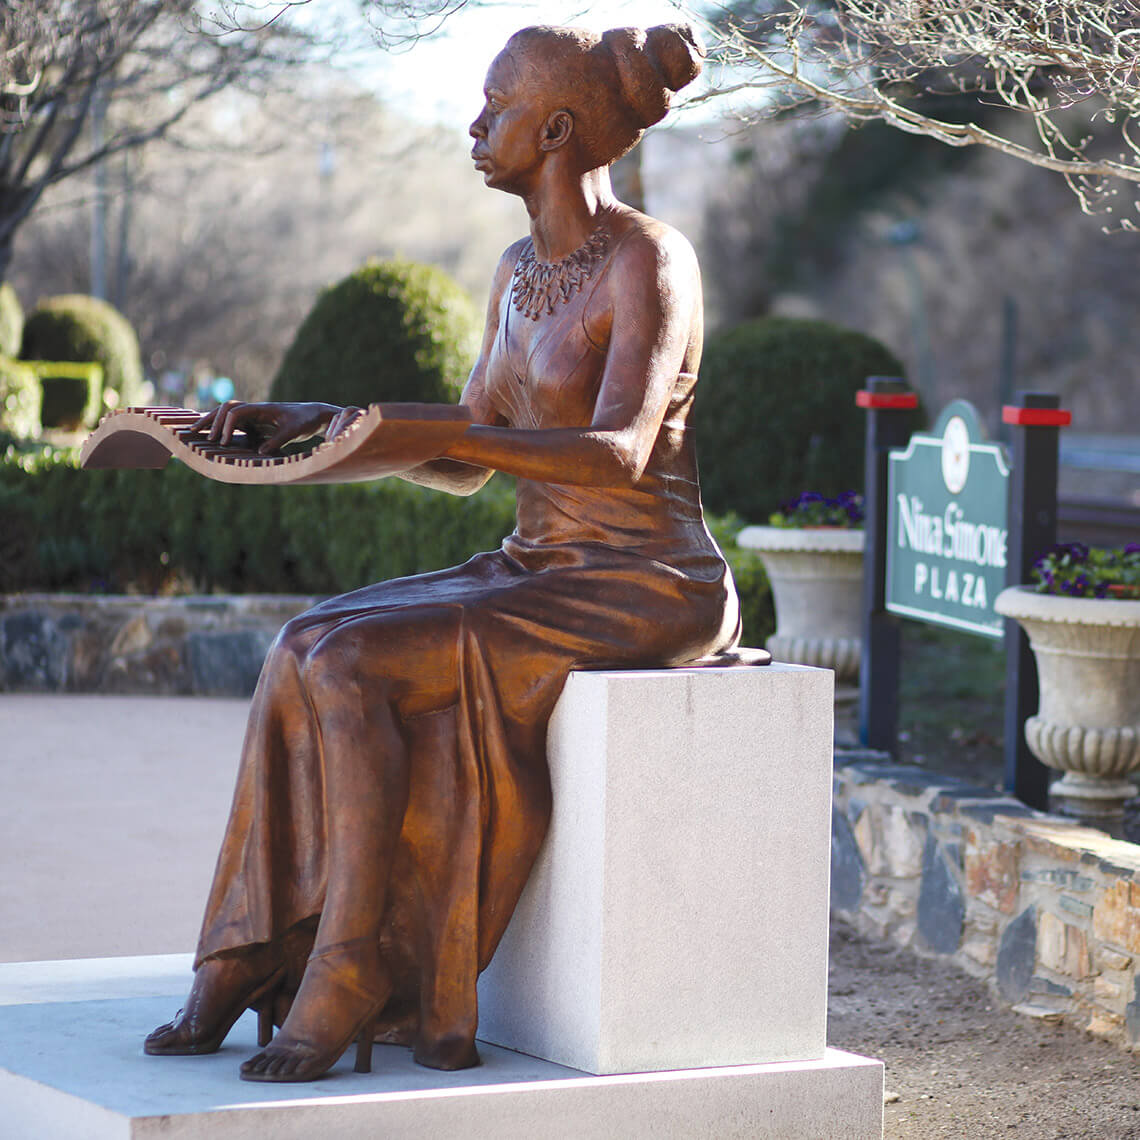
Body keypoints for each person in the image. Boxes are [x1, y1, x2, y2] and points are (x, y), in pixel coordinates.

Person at [144, 22, 739, 1084]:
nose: (474, 124)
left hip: (643, 581)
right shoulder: (517, 272)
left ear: (555, 129)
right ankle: (249, 950)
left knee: (352, 661)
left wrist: (450, 434)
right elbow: (466, 453)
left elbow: (618, 453)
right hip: (537, 564)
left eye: (495, 104)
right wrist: (318, 425)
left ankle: (347, 969)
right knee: (301, 640)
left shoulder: (650, 258)